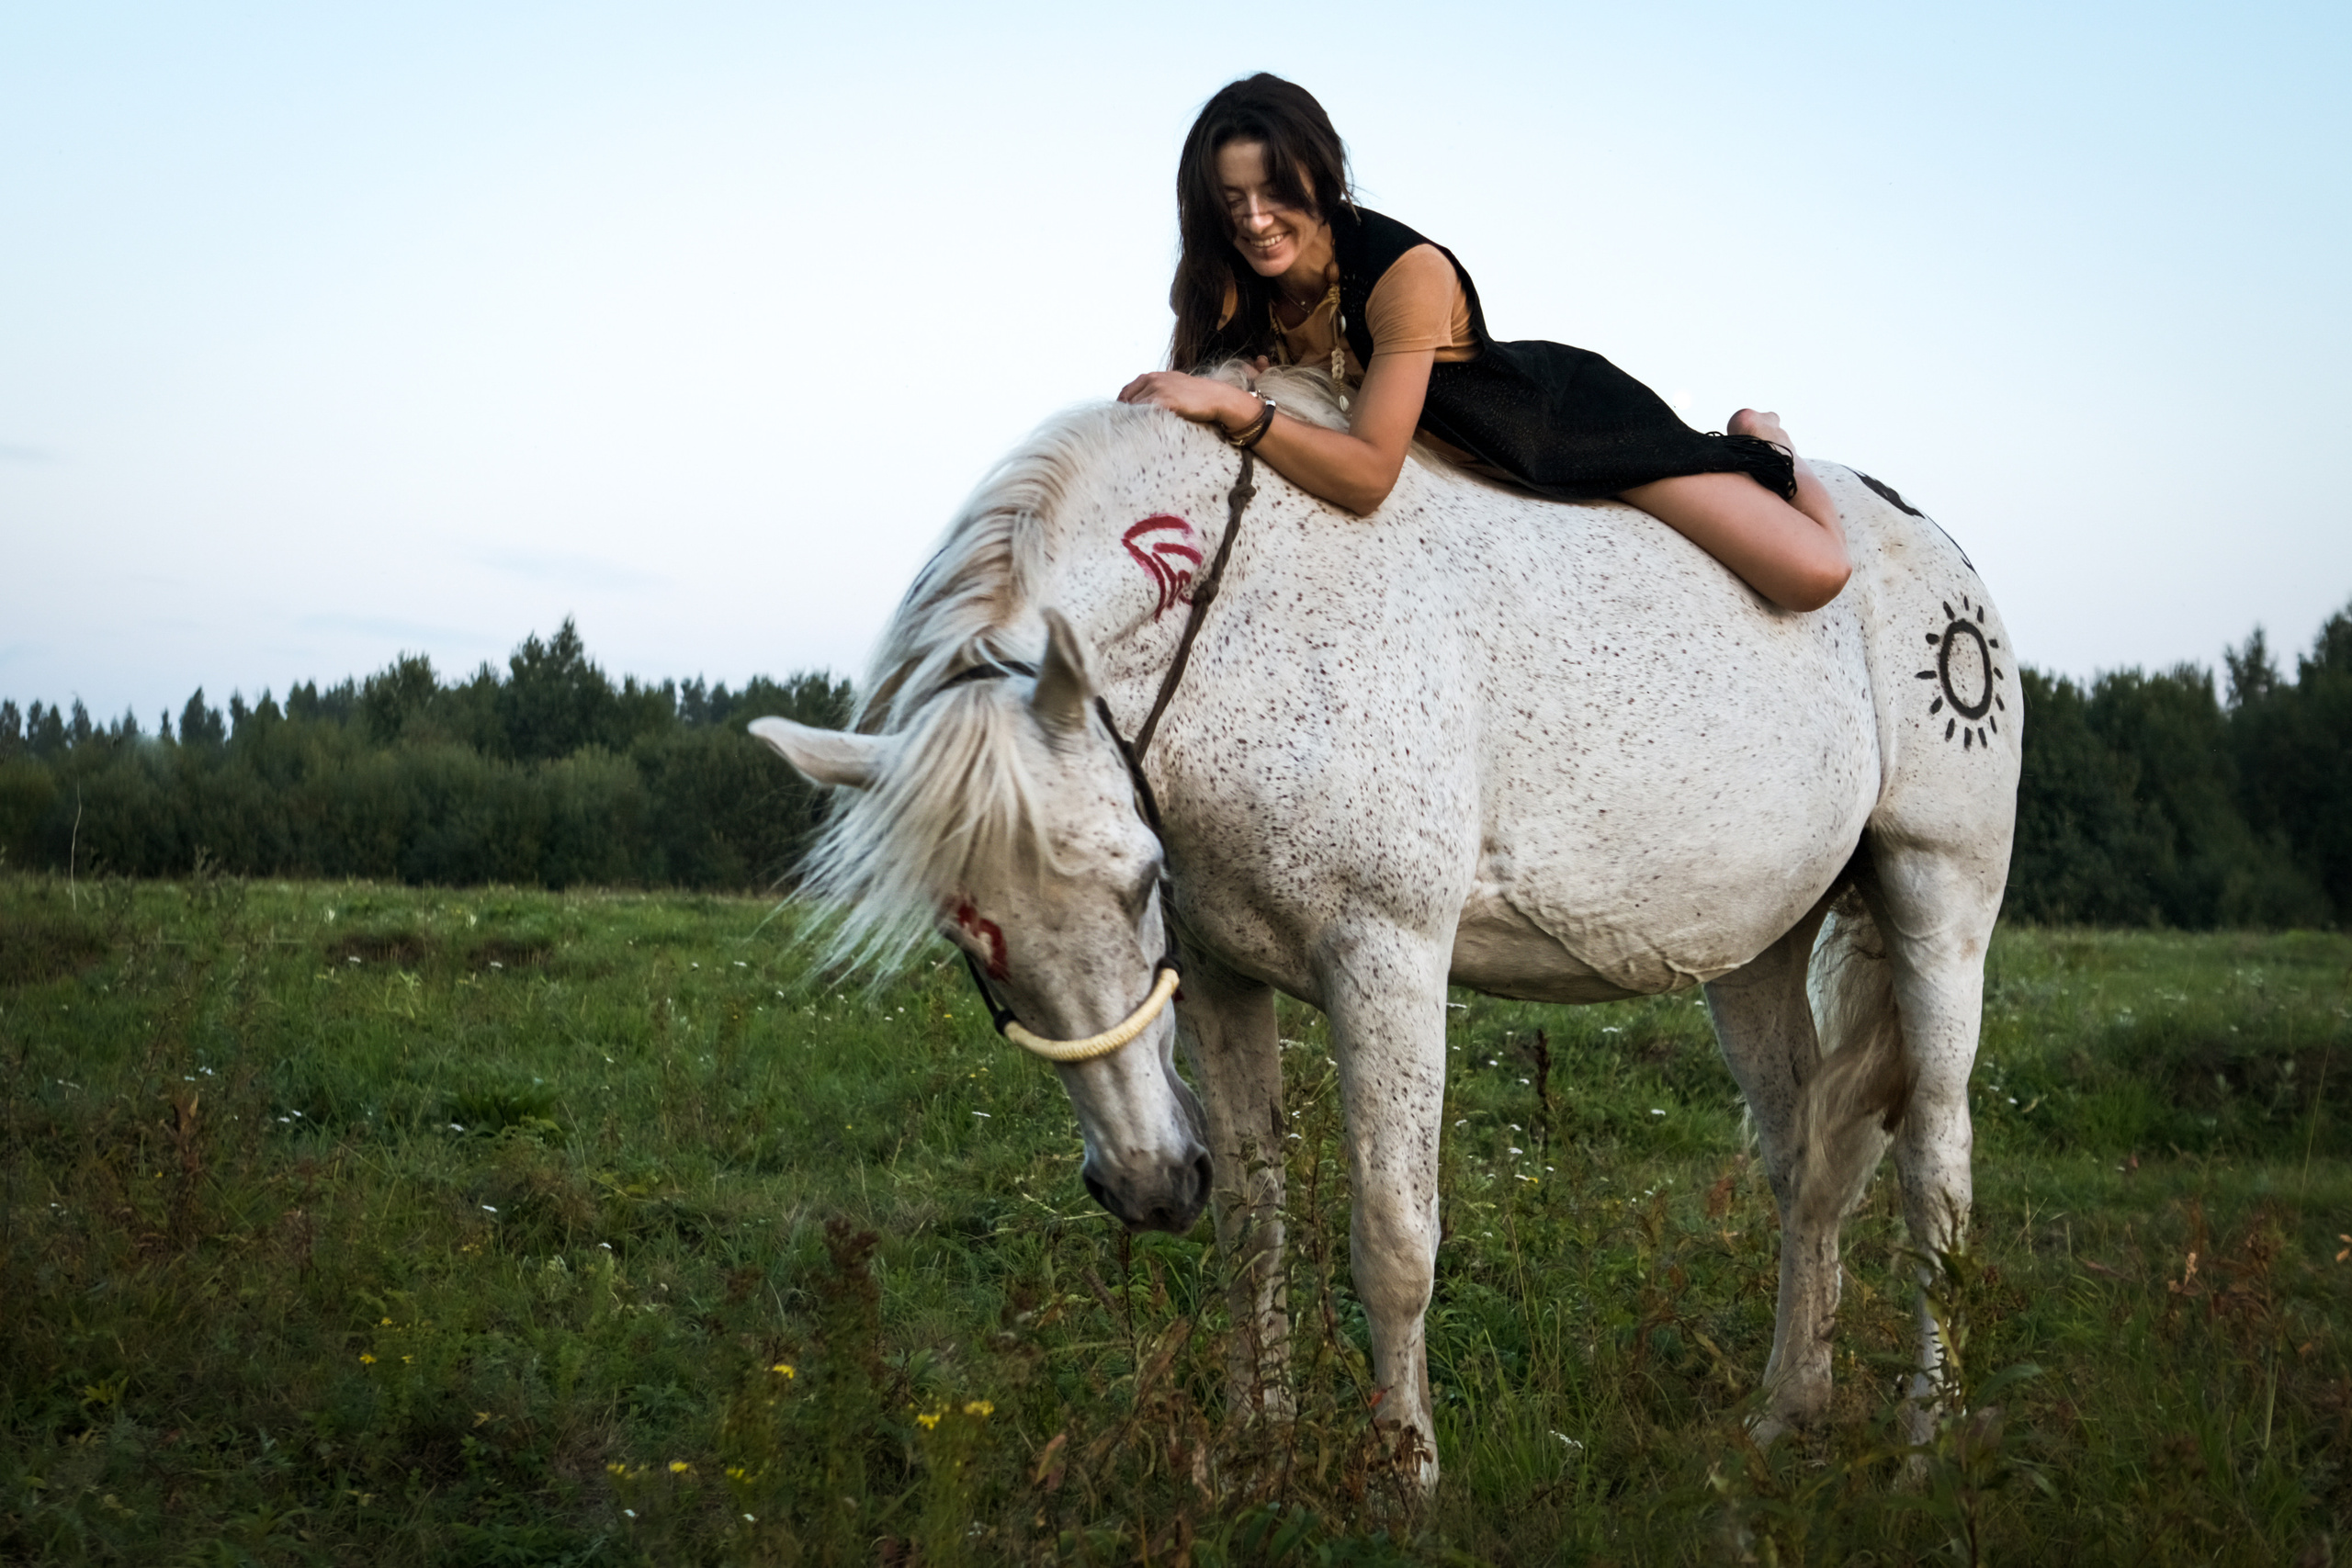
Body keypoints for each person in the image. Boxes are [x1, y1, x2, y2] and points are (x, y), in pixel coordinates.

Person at [1118, 74, 1851, 613]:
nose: (1255, 220)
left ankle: (1770, 443)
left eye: (1275, 191)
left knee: (1813, 575)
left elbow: (1371, 475)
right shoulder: (1219, 279)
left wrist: (1235, 405)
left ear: (1322, 171)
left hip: (1563, 427)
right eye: (1232, 198)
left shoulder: (1407, 272)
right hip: (1454, 474)